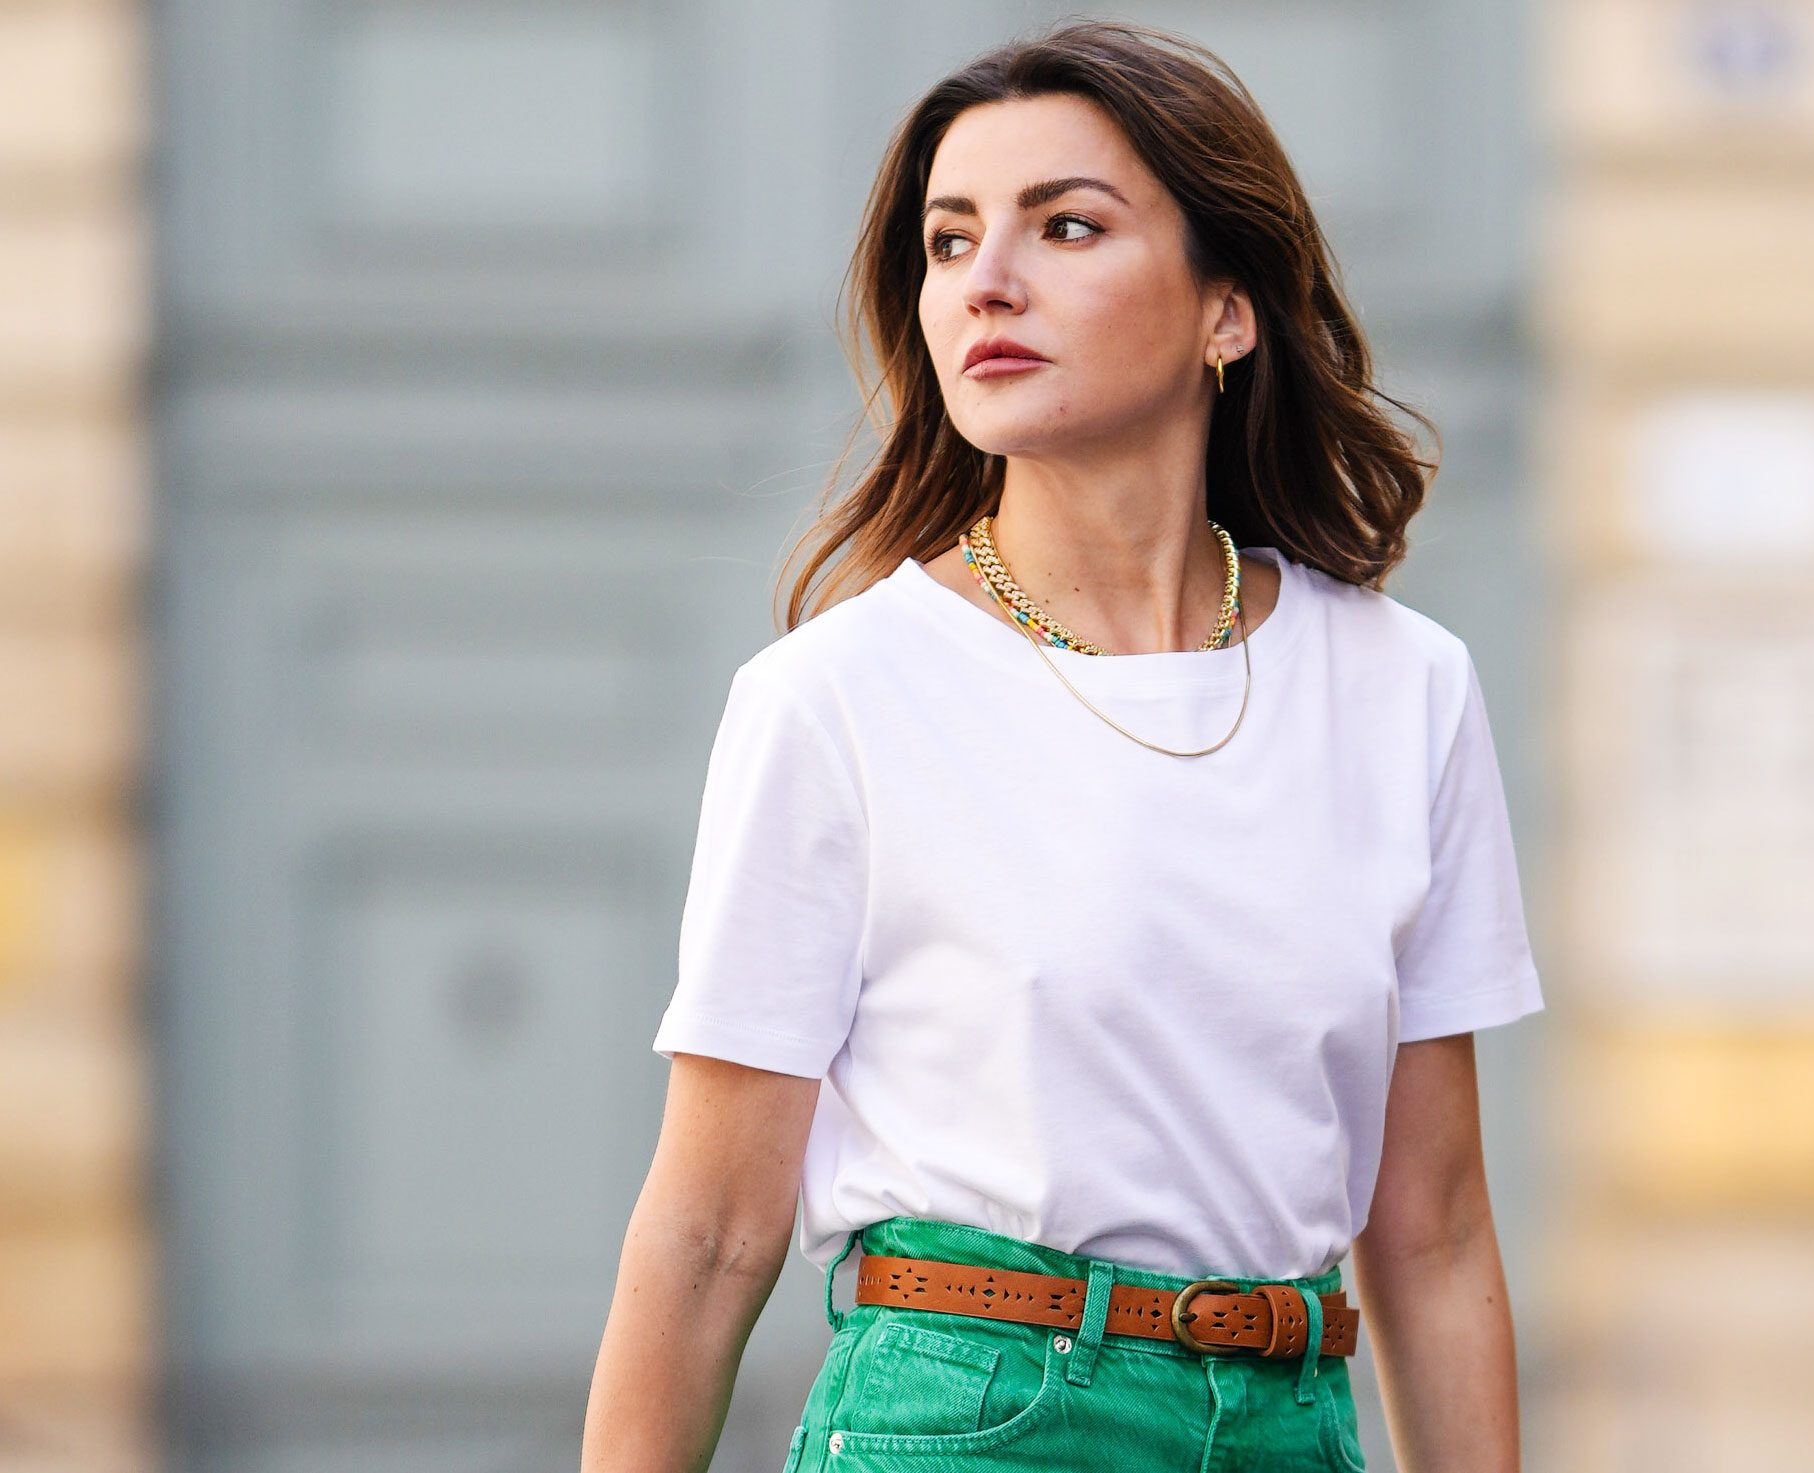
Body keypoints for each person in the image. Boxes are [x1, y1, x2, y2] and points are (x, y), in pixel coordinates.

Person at [581, 19, 1544, 1473]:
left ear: (1227, 310)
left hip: (1292, 1417)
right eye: (949, 241)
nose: (988, 282)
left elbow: (1432, 1222)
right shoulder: (838, 695)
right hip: (975, 1412)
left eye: (1065, 227)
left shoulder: (1402, 687)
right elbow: (713, 1228)